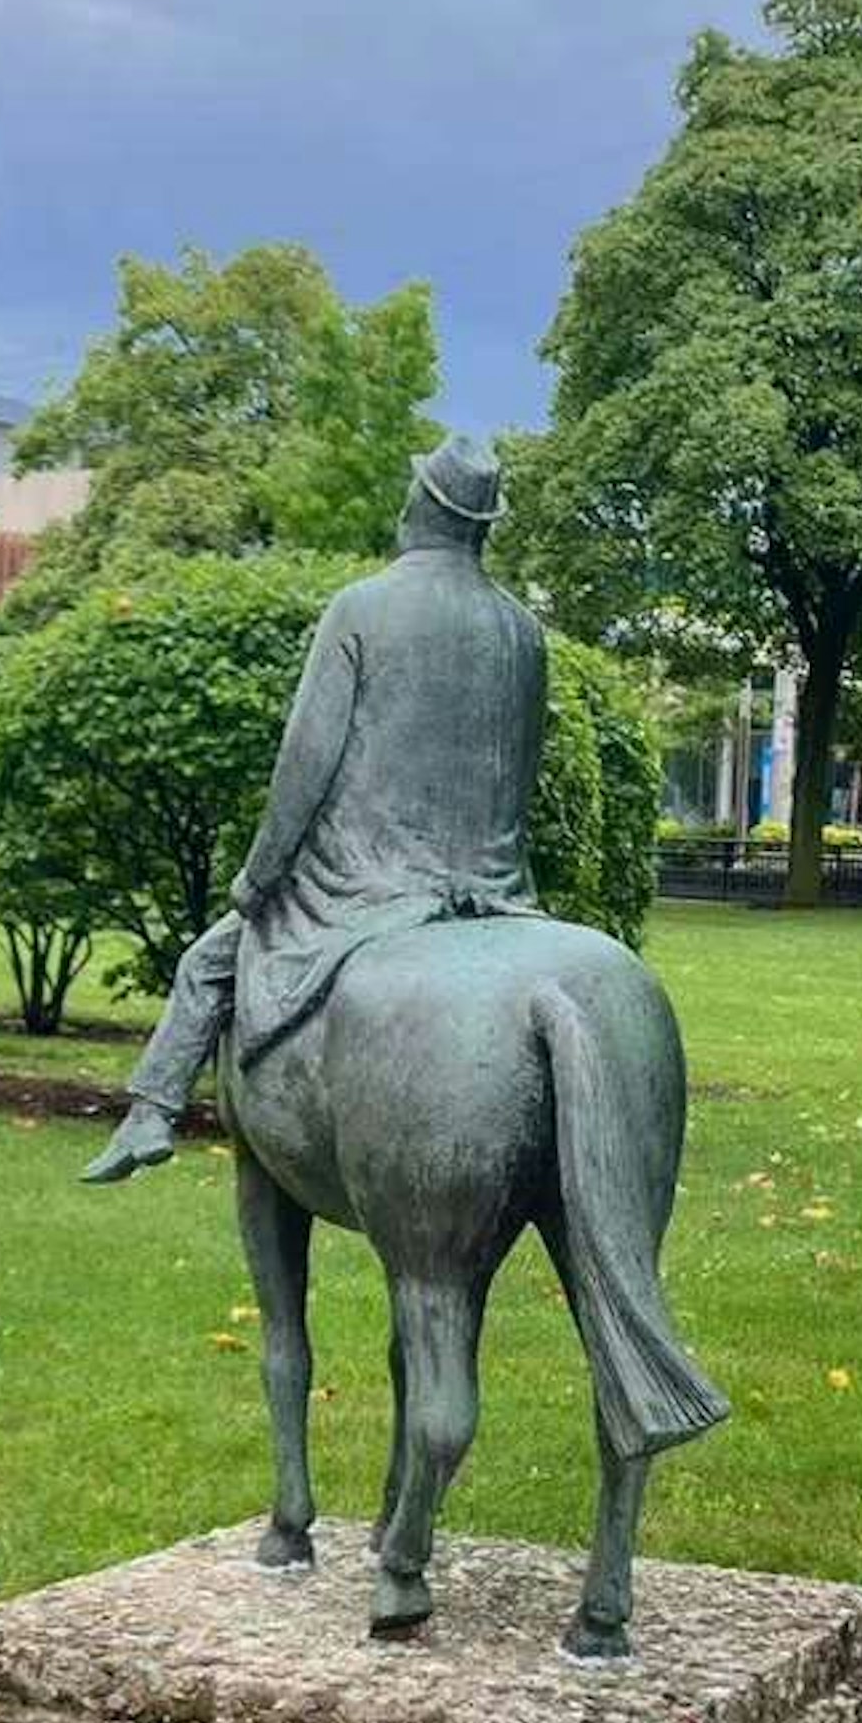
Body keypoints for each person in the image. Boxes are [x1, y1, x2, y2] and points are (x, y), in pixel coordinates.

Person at [82, 435, 549, 1181]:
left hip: (367, 890)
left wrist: (259, 880)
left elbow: (305, 765)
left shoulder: (360, 608)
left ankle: (150, 1112)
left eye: (413, 492)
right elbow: (520, 771)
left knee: (208, 962)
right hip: (495, 894)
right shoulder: (522, 629)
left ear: (425, 508)